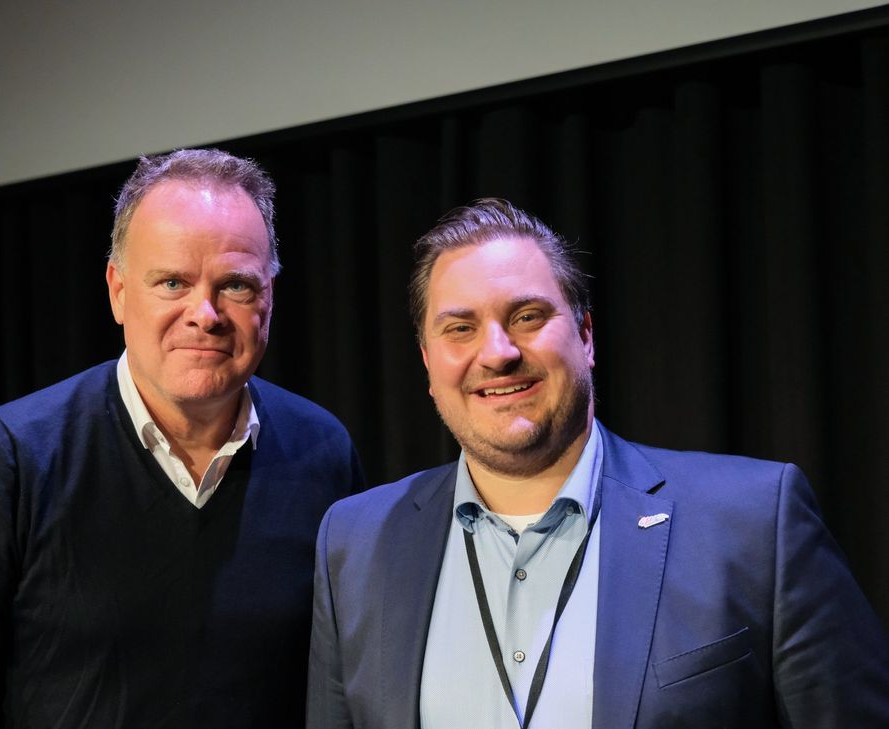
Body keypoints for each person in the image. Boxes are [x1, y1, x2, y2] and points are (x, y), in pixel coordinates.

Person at [306, 198, 889, 728]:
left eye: (527, 317)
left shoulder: (756, 522)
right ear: (428, 362)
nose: (498, 353)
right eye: (461, 328)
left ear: (585, 335)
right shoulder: (354, 544)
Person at [0, 148, 365, 728]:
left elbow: (348, 685)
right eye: (172, 282)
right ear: (118, 290)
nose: (204, 313)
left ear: (270, 299)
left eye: (235, 285)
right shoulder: (13, 457)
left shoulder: (323, 453)